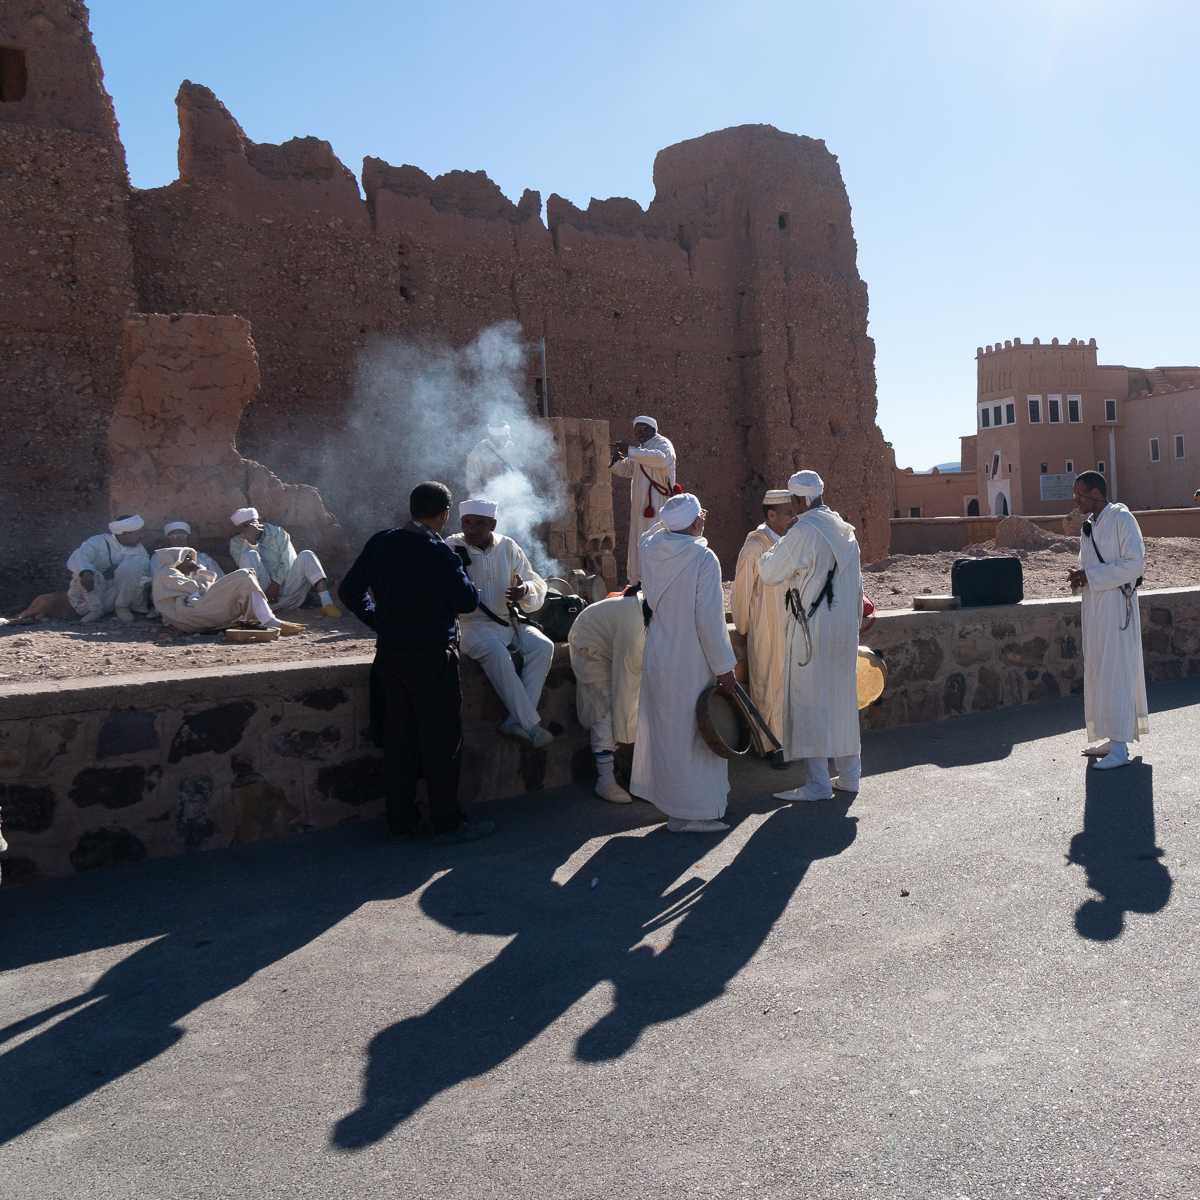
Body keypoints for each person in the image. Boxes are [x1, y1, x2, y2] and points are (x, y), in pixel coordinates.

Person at [338, 481, 494, 845]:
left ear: (412, 508)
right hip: (431, 654)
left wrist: (379, 621)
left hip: (390, 654)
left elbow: (349, 591)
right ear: (443, 514)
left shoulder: (381, 541)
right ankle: (448, 823)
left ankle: (402, 822)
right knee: (441, 741)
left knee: (399, 739)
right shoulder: (438, 552)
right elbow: (467, 601)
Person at [631, 493, 737, 833]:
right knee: (695, 737)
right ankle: (696, 813)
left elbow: (651, 532)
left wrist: (681, 519)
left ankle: (675, 810)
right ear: (695, 521)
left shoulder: (650, 551)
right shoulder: (703, 558)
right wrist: (724, 665)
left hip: (660, 654)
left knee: (670, 733)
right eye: (700, 516)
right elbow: (709, 620)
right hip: (691, 658)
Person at [757, 470, 864, 803]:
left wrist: (783, 539)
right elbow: (859, 590)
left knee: (810, 704)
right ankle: (849, 777)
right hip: (844, 631)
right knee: (842, 703)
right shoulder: (846, 531)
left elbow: (769, 571)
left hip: (811, 633)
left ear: (798, 500)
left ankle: (818, 784)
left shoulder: (802, 532)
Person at [445, 499, 556, 748]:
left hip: (506, 621)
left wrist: (524, 590)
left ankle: (513, 721)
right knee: (495, 651)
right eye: (467, 523)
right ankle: (530, 724)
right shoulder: (450, 547)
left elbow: (536, 583)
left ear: (492, 524)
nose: (471, 529)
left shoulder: (508, 546)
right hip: (470, 626)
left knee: (543, 647)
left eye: (479, 524)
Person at [1067, 470, 1148, 770]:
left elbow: (1135, 564)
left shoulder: (1123, 520)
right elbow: (1087, 564)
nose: (1075, 499)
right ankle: (1110, 736)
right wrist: (1080, 577)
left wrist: (1092, 576)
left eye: (1080, 493)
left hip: (1117, 605)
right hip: (1094, 606)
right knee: (1099, 667)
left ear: (1096, 492)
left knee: (1116, 668)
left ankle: (1120, 749)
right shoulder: (1088, 526)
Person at [731, 488, 795, 769]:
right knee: (768, 684)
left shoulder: (792, 541)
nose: (794, 517)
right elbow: (742, 589)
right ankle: (771, 745)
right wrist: (744, 626)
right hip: (766, 626)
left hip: (792, 626)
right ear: (771, 515)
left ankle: (790, 741)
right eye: (789, 512)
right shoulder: (756, 545)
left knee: (790, 686)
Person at [567, 585, 646, 804]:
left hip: (613, 646)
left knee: (635, 705)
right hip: (589, 646)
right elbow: (628, 681)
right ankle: (605, 780)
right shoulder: (638, 622)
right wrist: (628, 731)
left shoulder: (653, 612)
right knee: (607, 708)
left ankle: (638, 775)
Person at [152, 547, 302, 635]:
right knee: (243, 575)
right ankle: (269, 620)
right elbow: (200, 590)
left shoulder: (171, 574)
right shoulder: (167, 572)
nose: (193, 563)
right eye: (188, 559)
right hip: (189, 615)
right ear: (177, 560)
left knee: (245, 578)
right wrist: (202, 573)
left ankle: (267, 619)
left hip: (191, 614)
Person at [229, 507, 340, 617]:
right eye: (246, 526)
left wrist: (275, 584)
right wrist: (251, 542)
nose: (252, 527)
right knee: (249, 555)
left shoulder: (278, 533)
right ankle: (258, 609)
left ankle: (327, 603)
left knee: (307, 555)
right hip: (263, 593)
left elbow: (288, 561)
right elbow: (245, 569)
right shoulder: (236, 543)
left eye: (253, 523)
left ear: (259, 520)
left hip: (288, 588)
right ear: (240, 529)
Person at [610, 415, 677, 586]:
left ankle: (655, 581)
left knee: (655, 539)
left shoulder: (663, 444)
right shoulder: (640, 450)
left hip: (657, 503)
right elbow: (626, 470)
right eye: (636, 430)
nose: (638, 432)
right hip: (640, 505)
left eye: (642, 429)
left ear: (653, 429)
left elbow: (661, 458)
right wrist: (616, 460)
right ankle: (638, 581)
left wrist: (630, 451)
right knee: (639, 539)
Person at [66, 514, 152, 623]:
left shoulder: (140, 552)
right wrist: (86, 571)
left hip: (118, 596)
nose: (142, 536)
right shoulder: (98, 541)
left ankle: (122, 607)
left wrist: (119, 572)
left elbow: (144, 578)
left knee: (131, 566)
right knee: (82, 571)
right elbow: (79, 555)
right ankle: (96, 610)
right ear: (125, 533)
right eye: (139, 533)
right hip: (90, 597)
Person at [151, 521, 224, 578]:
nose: (178, 540)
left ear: (188, 538)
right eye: (173, 537)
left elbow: (219, 579)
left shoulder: (203, 558)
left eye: (182, 536)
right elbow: (157, 582)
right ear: (168, 540)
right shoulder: (158, 557)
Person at [465, 420, 517, 495]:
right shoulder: (478, 453)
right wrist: (486, 498)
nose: (504, 442)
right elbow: (472, 483)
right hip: (490, 497)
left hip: (511, 494)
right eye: (500, 439)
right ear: (492, 437)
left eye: (505, 438)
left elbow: (517, 468)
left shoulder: (509, 446)